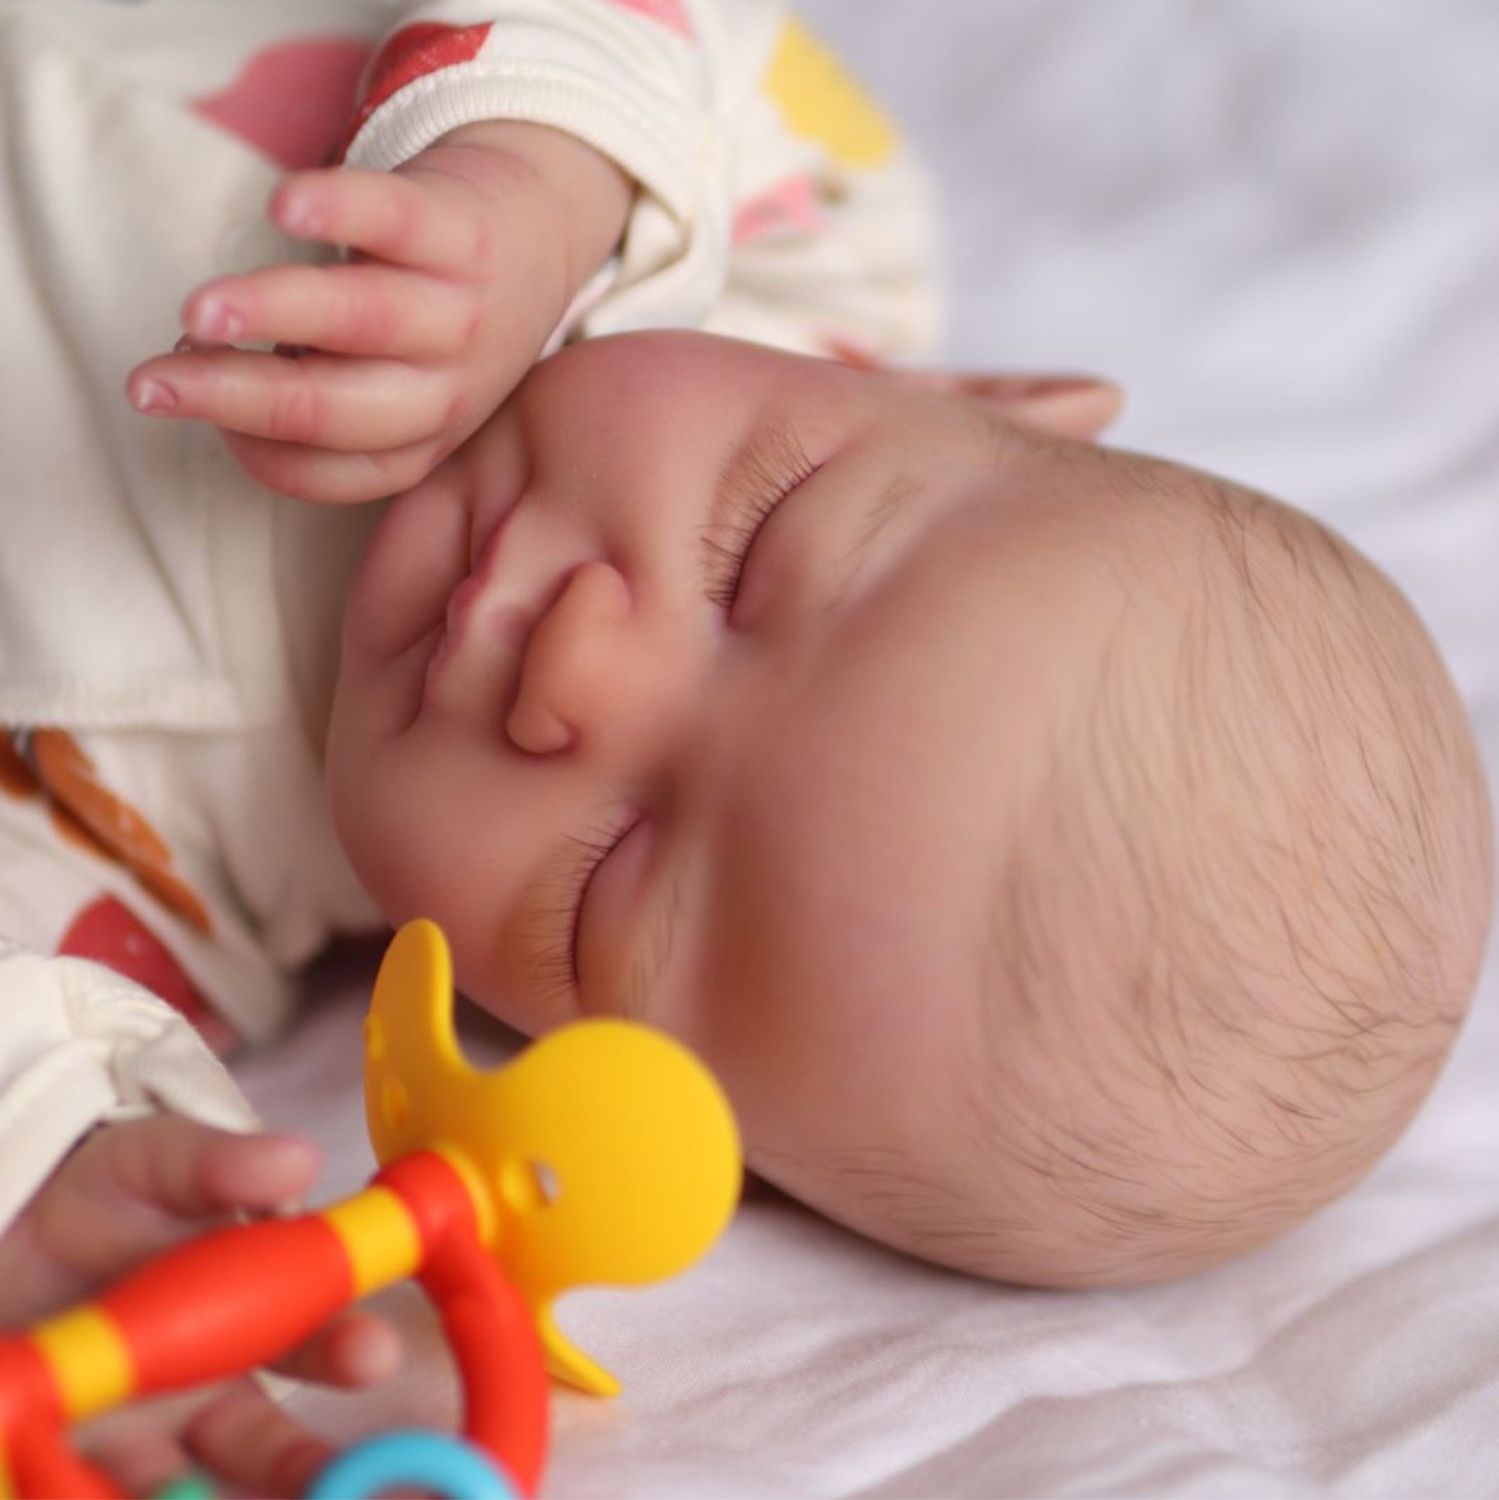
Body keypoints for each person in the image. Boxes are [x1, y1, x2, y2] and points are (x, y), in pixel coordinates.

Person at [0, 0, 1492, 1490]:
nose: (578, 665)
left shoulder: (153, 868)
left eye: (603, 887)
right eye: (753, 550)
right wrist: (534, 183)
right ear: (966, 399)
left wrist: (71, 1179)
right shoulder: (788, 232)